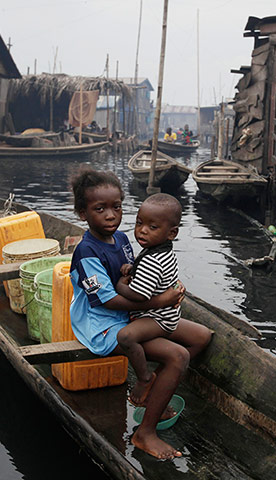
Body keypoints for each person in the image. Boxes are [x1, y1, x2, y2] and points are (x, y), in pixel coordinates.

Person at [68, 168, 212, 459]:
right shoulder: (86, 252)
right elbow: (108, 301)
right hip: (103, 323)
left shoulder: (121, 239)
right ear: (83, 214)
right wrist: (160, 302)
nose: (111, 215)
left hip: (133, 315)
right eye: (100, 209)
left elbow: (139, 275)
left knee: (202, 335)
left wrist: (169, 286)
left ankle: (153, 389)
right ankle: (145, 433)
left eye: (117, 207)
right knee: (178, 356)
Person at [114, 193, 185, 409]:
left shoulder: (152, 260)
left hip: (159, 319)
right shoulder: (159, 250)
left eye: (152, 227)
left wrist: (120, 285)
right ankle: (162, 374)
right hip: (168, 315)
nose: (142, 230)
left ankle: (145, 378)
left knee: (125, 337)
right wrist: (132, 268)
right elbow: (147, 274)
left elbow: (139, 295)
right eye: (139, 223)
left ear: (172, 233)